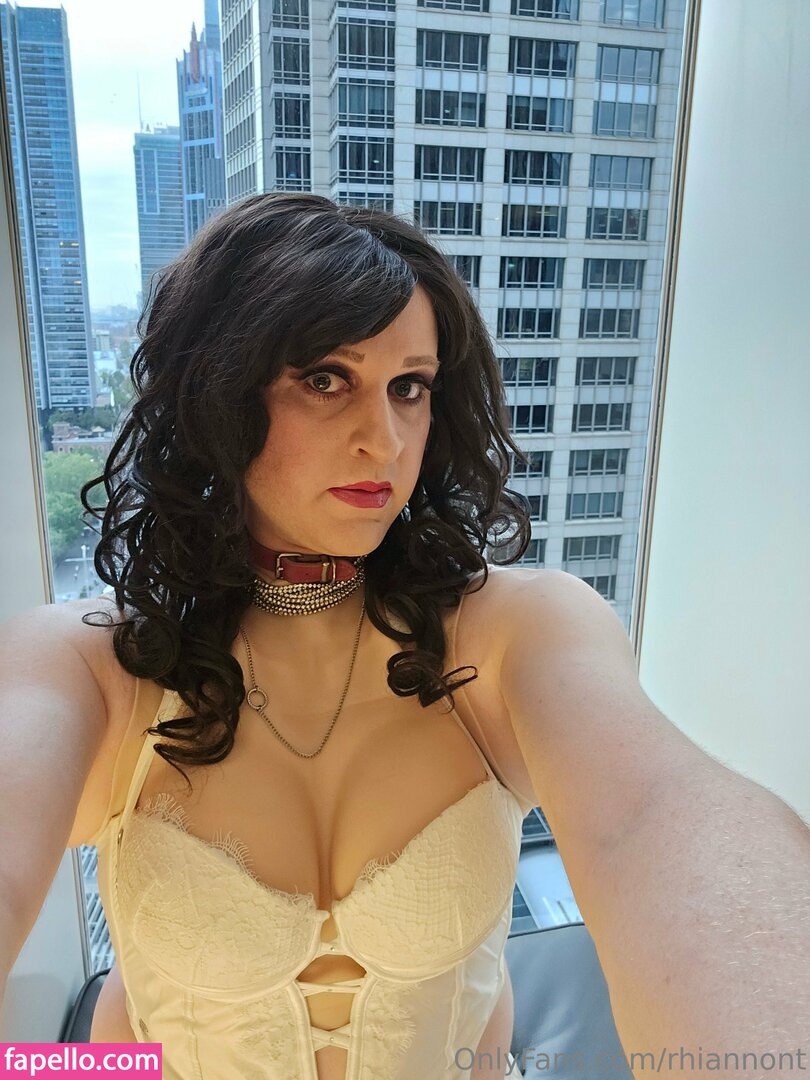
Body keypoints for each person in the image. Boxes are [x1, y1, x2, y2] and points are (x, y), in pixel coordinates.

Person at [0, 193, 807, 1080]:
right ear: (218, 396)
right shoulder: (92, 669)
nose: (383, 441)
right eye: (325, 379)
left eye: (409, 386)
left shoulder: (512, 634)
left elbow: (655, 818)